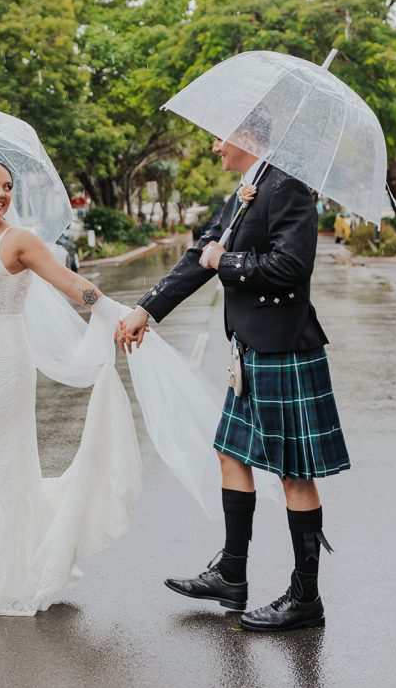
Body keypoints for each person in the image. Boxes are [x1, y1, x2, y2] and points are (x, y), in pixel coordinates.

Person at [117, 109, 350, 631]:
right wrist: (147, 309)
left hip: (283, 348)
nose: (215, 148)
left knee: (294, 472)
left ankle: (305, 597)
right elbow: (200, 253)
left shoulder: (287, 184)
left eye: (220, 138)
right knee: (231, 454)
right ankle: (232, 572)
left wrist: (226, 262)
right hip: (252, 348)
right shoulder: (249, 187)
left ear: (248, 137)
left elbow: (292, 267)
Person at [0, 159, 140, 617]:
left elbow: (67, 282)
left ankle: (14, 578)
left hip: (6, 365)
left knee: (5, 467)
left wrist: (110, 309)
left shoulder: (19, 240)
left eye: (7, 187)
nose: (1, 193)